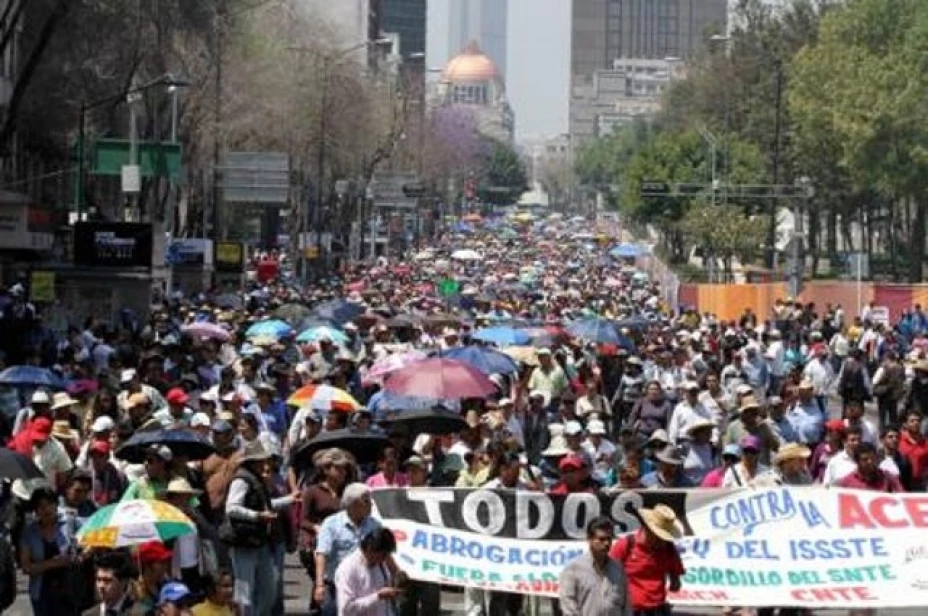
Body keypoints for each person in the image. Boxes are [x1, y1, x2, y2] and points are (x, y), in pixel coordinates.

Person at [222, 439, 298, 616]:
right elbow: (231, 508)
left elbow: (266, 504)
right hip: (243, 542)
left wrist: (289, 500)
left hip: (259, 542)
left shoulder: (256, 479)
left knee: (268, 589)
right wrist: (257, 516)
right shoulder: (242, 480)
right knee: (244, 592)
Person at [315, 483, 384, 616]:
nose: (371, 504)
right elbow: (321, 554)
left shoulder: (375, 525)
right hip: (337, 585)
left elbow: (385, 555)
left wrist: (397, 573)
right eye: (366, 501)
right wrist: (320, 585)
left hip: (366, 585)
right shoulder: (331, 524)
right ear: (353, 503)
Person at [608, 505, 685, 616]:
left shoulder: (669, 549)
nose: (662, 541)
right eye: (658, 537)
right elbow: (606, 573)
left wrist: (674, 581)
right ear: (647, 529)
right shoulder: (626, 545)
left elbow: (675, 583)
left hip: (658, 610)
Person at [19, 487, 84, 615]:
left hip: (70, 591)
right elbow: (26, 567)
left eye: (50, 504)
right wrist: (52, 563)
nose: (46, 509)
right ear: (35, 511)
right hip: (41, 593)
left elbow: (92, 537)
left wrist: (82, 556)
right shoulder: (30, 532)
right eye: (41, 506)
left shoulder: (71, 523)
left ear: (56, 505)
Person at [558, 516, 632, 616]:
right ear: (590, 539)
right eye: (601, 539)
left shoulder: (618, 569)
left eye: (609, 539)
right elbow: (569, 607)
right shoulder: (573, 570)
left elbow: (626, 606)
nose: (606, 543)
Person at [334, 526, 401, 616]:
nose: (385, 559)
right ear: (370, 549)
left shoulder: (380, 564)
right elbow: (347, 609)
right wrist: (378, 596)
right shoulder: (348, 569)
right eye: (383, 555)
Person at [82, 551, 135, 615]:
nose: (101, 586)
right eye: (98, 580)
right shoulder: (88, 614)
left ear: (123, 582)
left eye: (107, 580)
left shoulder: (140, 613)